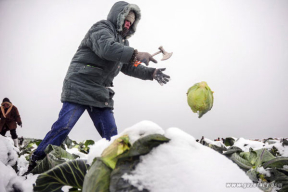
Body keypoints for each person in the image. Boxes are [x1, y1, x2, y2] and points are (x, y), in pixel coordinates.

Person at [26, 1, 170, 173]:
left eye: (131, 22)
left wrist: (151, 73)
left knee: (112, 136)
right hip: (80, 85)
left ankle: (118, 170)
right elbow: (106, 49)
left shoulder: (124, 45)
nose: (127, 24)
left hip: (100, 92)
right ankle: (36, 161)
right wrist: (136, 54)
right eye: (125, 19)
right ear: (117, 16)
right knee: (63, 126)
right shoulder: (101, 28)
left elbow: (129, 66)